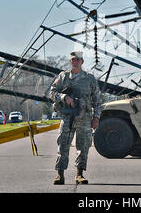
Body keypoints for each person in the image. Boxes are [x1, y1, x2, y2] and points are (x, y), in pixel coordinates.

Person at [49, 50, 102, 185]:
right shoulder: (63, 77)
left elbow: (96, 99)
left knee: (83, 146)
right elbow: (52, 92)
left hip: (84, 117)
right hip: (67, 117)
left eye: (77, 59)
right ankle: (60, 175)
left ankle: (79, 174)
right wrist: (64, 97)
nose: (75, 62)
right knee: (63, 145)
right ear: (70, 61)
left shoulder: (89, 78)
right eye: (73, 59)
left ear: (82, 62)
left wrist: (96, 117)